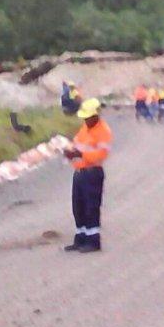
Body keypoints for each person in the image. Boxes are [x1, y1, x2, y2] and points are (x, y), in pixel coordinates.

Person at [63, 98, 113, 253]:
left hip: (93, 173)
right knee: (78, 207)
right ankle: (81, 238)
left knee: (91, 207)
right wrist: (70, 151)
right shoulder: (85, 128)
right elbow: (77, 143)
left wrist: (80, 153)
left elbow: (101, 155)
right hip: (80, 171)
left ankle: (93, 241)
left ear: (96, 115)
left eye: (88, 117)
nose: (86, 119)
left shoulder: (104, 131)